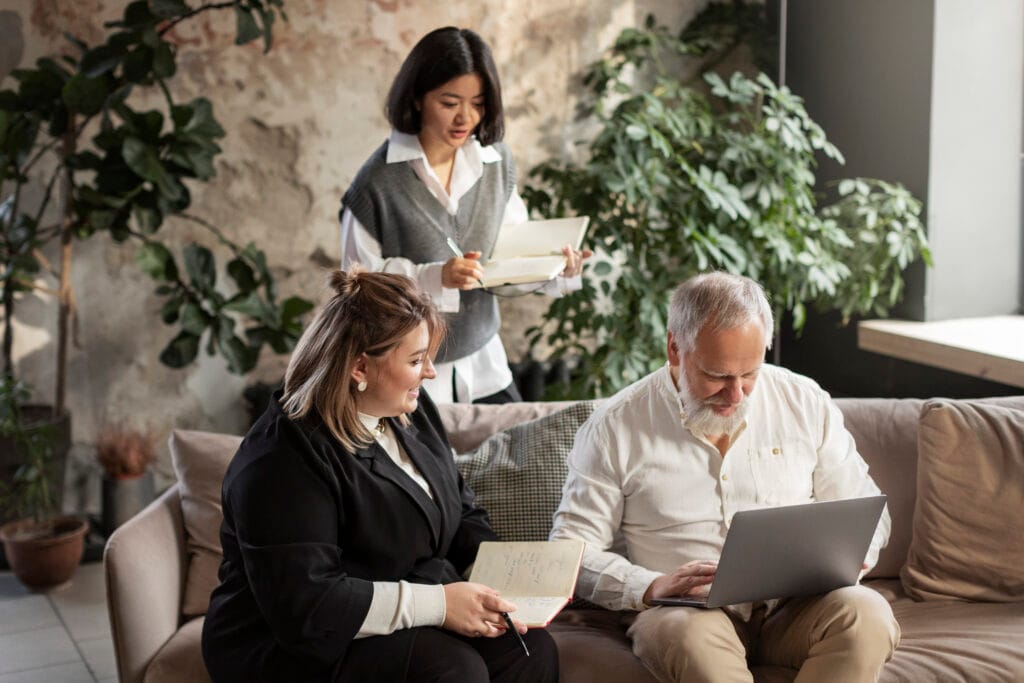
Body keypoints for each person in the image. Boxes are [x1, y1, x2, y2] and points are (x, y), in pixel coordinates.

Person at [201, 269, 559, 682]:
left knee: (527, 649)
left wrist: (503, 578)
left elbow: (460, 508)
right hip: (292, 642)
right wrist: (441, 605)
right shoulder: (280, 461)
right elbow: (310, 606)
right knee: (450, 668)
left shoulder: (410, 410)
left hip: (398, 607)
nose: (430, 373)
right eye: (414, 360)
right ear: (359, 368)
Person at [549, 272, 900, 682]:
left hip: (797, 606)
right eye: (717, 375)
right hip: (685, 614)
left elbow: (871, 515)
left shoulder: (804, 401)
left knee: (868, 614)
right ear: (675, 348)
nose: (735, 395)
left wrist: (850, 557)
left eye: (749, 374)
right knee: (689, 638)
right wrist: (652, 586)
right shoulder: (614, 426)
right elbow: (571, 552)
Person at [339, 26, 590, 404]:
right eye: (450, 102)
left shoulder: (495, 161)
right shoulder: (376, 184)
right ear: (419, 97)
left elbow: (506, 260)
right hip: (407, 381)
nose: (465, 118)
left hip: (485, 363)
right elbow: (355, 288)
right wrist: (435, 277)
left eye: (478, 103)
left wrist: (558, 270)